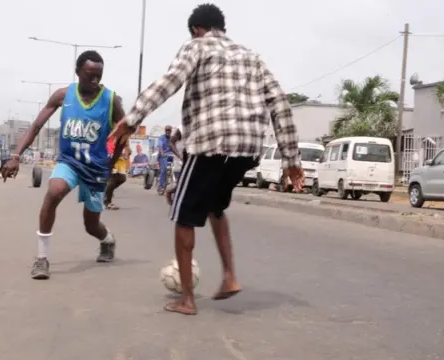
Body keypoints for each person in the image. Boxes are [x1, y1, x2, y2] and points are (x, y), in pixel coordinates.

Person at [110, 4, 304, 315]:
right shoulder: (252, 57)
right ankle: (229, 277)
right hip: (247, 150)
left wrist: (134, 118)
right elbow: (279, 102)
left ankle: (187, 300)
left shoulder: (197, 46)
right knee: (215, 207)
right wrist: (291, 159)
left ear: (197, 30)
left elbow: (169, 82)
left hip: (210, 145)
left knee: (182, 215)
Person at [1, 50, 126, 280]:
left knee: (91, 225)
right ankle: (41, 259)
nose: (95, 80)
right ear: (78, 72)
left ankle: (107, 239)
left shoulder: (111, 101)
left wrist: (111, 162)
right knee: (54, 191)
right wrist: (16, 155)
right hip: (69, 162)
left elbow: (124, 132)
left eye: (99, 75)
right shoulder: (62, 95)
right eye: (90, 75)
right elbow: (36, 126)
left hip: (96, 168)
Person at [104, 136, 129, 210]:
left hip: (120, 160)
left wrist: (126, 154)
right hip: (111, 158)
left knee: (122, 178)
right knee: (112, 180)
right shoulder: (111, 133)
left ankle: (107, 191)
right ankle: (108, 202)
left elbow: (127, 147)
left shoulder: (125, 135)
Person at [156, 125, 173, 194]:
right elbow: (160, 147)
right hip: (163, 156)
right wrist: (162, 153)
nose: (168, 131)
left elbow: (176, 147)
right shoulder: (161, 138)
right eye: (167, 130)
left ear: (171, 131)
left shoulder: (172, 138)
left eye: (169, 130)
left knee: (178, 168)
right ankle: (161, 186)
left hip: (171, 155)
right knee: (164, 169)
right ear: (165, 131)